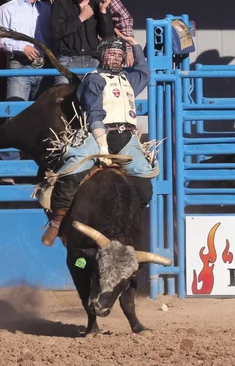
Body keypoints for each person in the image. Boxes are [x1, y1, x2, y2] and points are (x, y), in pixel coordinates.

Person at [41, 29, 158, 247]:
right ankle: (58, 220)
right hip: (98, 135)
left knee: (145, 185)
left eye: (118, 54)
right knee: (72, 170)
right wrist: (102, 146)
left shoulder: (129, 79)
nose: (114, 57)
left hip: (128, 138)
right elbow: (94, 112)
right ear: (101, 56)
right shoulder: (94, 79)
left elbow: (144, 72)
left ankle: (128, 219)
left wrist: (135, 45)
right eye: (110, 53)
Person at [0, 0, 51, 172]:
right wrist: (22, 47)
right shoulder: (6, 9)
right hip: (19, 65)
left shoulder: (47, 9)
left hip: (44, 66)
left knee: (43, 117)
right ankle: (11, 169)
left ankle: (37, 166)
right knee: (15, 115)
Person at [50, 0, 113, 86]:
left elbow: (108, 36)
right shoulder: (61, 2)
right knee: (62, 100)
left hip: (92, 61)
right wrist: (80, 18)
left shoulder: (97, 4)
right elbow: (55, 31)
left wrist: (103, 11)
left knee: (92, 99)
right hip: (67, 60)